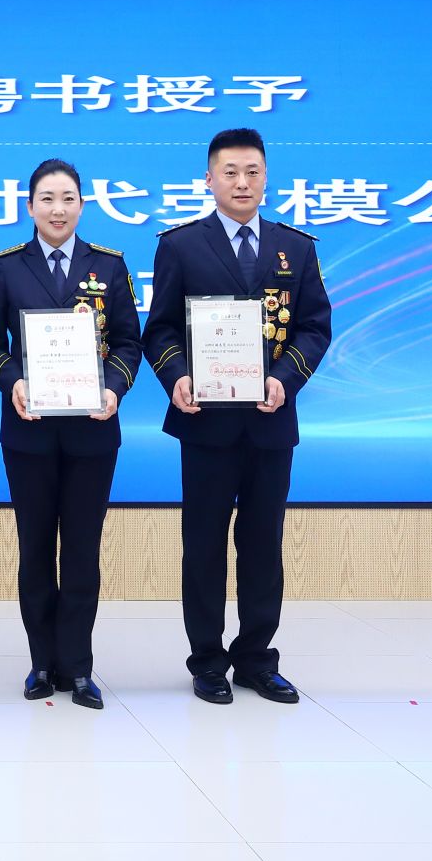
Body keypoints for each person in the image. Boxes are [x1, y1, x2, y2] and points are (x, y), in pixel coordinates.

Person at [141, 128, 332, 706]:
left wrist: (285, 379)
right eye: (230, 172)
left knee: (262, 543)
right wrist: (177, 377)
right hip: (205, 421)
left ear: (266, 177)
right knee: (203, 544)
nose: (241, 182)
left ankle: (255, 658)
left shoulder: (296, 248)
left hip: (271, 421)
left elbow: (315, 327)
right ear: (209, 179)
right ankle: (207, 660)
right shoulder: (181, 245)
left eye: (252, 171)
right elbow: (160, 329)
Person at [0, 159, 141, 709]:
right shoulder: (7, 267)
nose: (58, 209)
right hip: (30, 433)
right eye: (47, 199)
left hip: (93, 432)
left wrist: (114, 388)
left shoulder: (109, 266)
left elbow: (129, 342)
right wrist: (14, 383)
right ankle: (42, 662)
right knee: (36, 548)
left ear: (82, 206)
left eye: (68, 198)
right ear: (30, 207)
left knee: (83, 552)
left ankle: (80, 666)